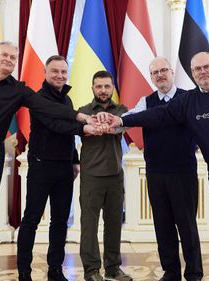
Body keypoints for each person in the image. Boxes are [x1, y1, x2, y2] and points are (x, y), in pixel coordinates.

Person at [106, 52, 209, 281]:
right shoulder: (188, 101)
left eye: (206, 67)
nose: (203, 72)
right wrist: (122, 121)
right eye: (197, 69)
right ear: (192, 73)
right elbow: (158, 114)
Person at [0, 41, 95, 281]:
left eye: (13, 57)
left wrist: (79, 116)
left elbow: (47, 107)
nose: (8, 60)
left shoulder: (20, 91)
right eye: (4, 55)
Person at [17, 55, 100, 281]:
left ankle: (55, 269)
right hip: (41, 167)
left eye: (64, 72)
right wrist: (84, 129)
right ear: (45, 73)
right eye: (55, 71)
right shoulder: (38, 99)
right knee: (31, 219)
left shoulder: (68, 100)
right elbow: (58, 125)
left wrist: (74, 160)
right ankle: (24, 271)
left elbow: (68, 136)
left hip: (64, 168)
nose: (60, 76)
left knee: (60, 220)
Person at [122, 57, 202, 281]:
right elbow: (130, 118)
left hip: (183, 171)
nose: (160, 75)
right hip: (156, 172)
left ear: (172, 72)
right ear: (151, 77)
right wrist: (112, 121)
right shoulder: (145, 101)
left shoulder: (189, 97)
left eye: (164, 70)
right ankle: (171, 271)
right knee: (163, 225)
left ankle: (194, 272)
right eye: (155, 72)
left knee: (187, 225)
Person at [77, 71, 132, 281]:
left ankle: (113, 268)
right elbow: (78, 127)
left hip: (115, 176)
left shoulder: (121, 110)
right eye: (98, 86)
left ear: (112, 88)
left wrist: (112, 124)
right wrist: (90, 126)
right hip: (91, 177)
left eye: (107, 86)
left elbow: (125, 124)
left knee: (114, 224)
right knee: (89, 226)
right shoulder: (83, 111)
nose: (103, 90)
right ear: (92, 88)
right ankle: (91, 271)